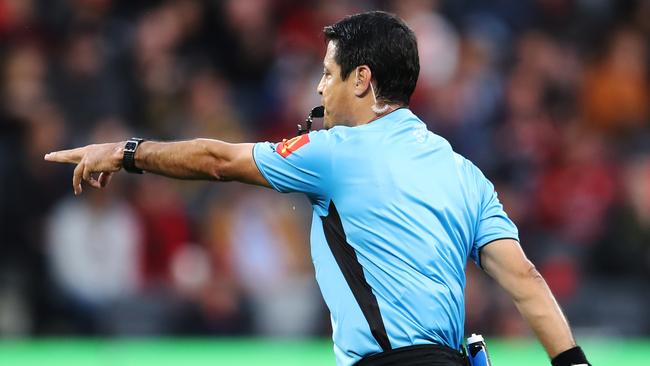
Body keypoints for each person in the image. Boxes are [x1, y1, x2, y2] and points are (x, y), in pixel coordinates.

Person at [44, 11, 591, 366]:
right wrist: (573, 363)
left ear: (362, 79)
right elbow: (525, 278)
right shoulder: (463, 171)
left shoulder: (334, 154)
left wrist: (125, 152)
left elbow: (216, 160)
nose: (319, 86)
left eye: (328, 73)